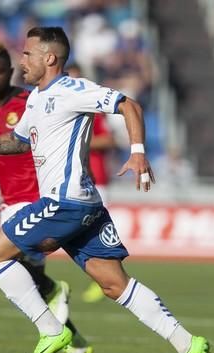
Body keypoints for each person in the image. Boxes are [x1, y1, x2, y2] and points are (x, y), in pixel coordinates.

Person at [0, 27, 210, 353]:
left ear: (49, 58)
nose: (21, 60)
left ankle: (51, 329)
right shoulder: (36, 100)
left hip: (63, 202)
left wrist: (137, 151)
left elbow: (129, 105)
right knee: (114, 285)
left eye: (27, 54)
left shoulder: (73, 90)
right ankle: (188, 344)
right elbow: (16, 142)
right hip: (85, 205)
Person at [0, 39, 93, 353]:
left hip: (39, 195)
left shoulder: (29, 99)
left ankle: (55, 297)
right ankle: (74, 343)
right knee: (21, 278)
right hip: (9, 201)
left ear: (10, 71)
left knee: (4, 265)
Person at [65, 63, 117, 304]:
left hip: (95, 179)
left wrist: (78, 141)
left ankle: (104, 279)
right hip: (68, 182)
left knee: (94, 233)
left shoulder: (92, 109)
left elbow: (108, 139)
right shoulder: (60, 110)